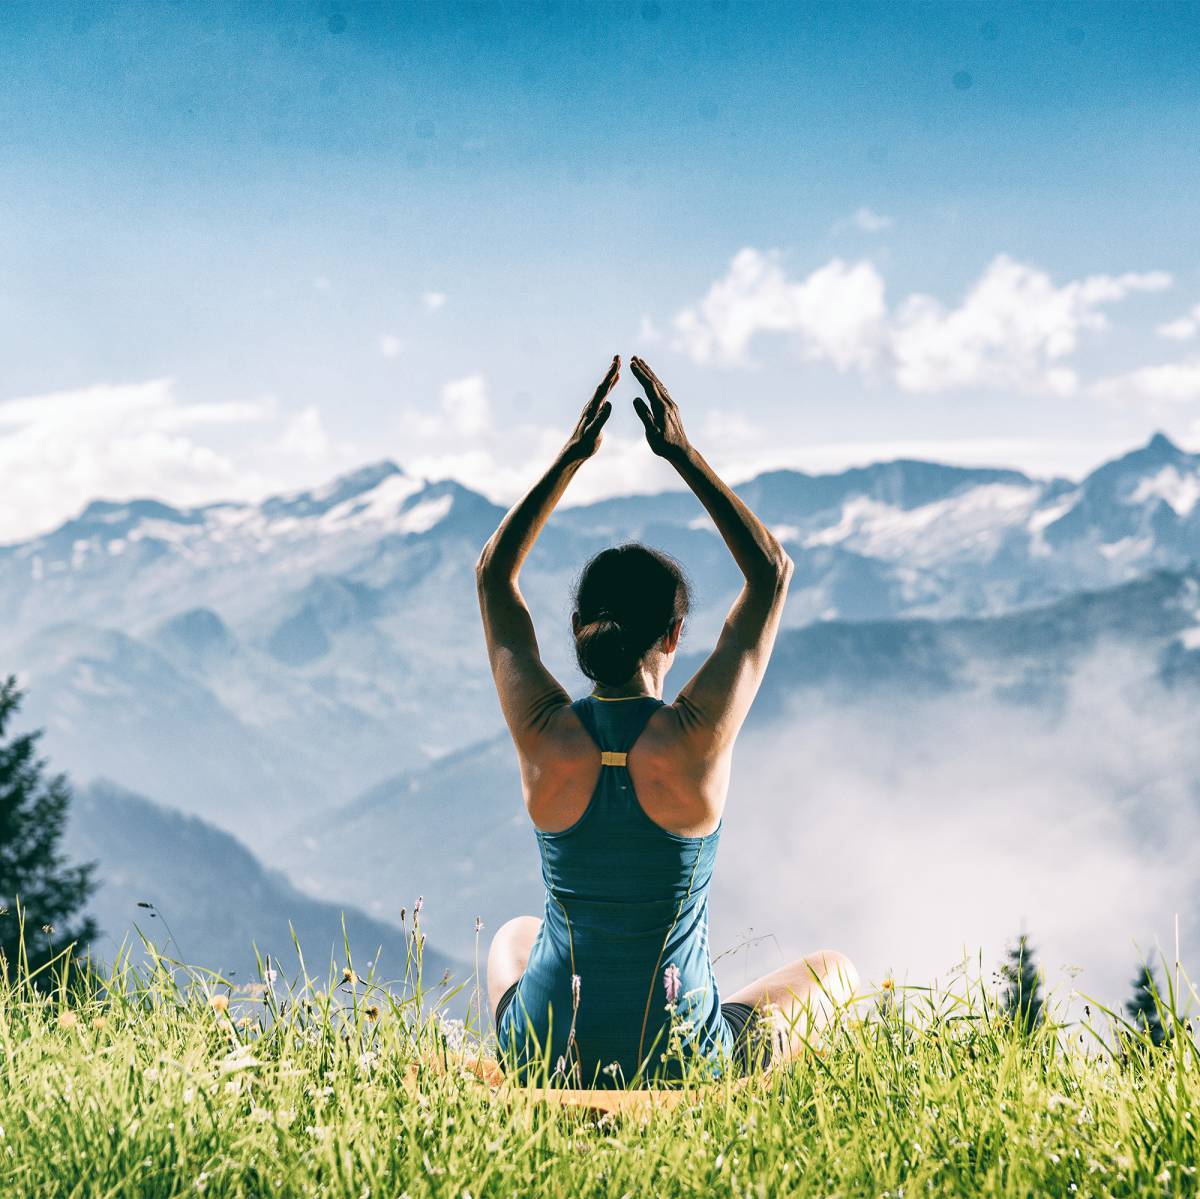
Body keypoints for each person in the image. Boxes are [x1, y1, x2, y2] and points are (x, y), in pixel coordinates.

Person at [475, 354, 857, 1087]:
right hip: (679, 1054)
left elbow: (494, 573)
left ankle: (538, 1063)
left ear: (581, 626)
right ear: (675, 636)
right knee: (834, 973)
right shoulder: (697, 739)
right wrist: (681, 452)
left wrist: (572, 457)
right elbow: (771, 570)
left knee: (517, 935)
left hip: (547, 1051)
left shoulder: (544, 733)